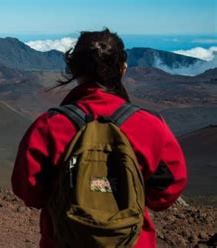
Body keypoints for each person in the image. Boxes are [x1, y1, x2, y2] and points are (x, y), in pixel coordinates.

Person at [11, 29, 187, 248]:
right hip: (132, 242)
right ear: (123, 69)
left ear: (73, 69)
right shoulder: (150, 125)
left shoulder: (49, 126)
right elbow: (166, 193)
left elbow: (29, 192)